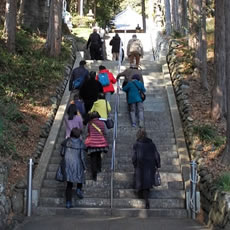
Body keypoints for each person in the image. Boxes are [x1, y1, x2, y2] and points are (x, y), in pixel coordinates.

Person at [132, 128, 161, 209]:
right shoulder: (151, 144)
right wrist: (158, 164)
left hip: (140, 166)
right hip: (150, 166)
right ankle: (146, 199)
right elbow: (156, 155)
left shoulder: (136, 144)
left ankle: (142, 196)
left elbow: (134, 156)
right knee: (147, 183)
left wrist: (134, 164)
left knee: (140, 181)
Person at [61, 128, 86, 209]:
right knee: (80, 177)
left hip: (67, 164)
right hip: (78, 163)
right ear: (79, 135)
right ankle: (79, 189)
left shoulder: (66, 142)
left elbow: (62, 153)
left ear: (71, 134)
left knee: (69, 185)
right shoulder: (81, 143)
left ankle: (68, 203)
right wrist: (84, 167)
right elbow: (82, 157)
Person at [84, 112, 109, 181]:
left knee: (93, 158)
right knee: (98, 156)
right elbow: (106, 132)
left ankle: (94, 173)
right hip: (101, 143)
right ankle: (99, 168)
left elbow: (86, 132)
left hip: (92, 143)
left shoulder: (89, 123)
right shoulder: (102, 123)